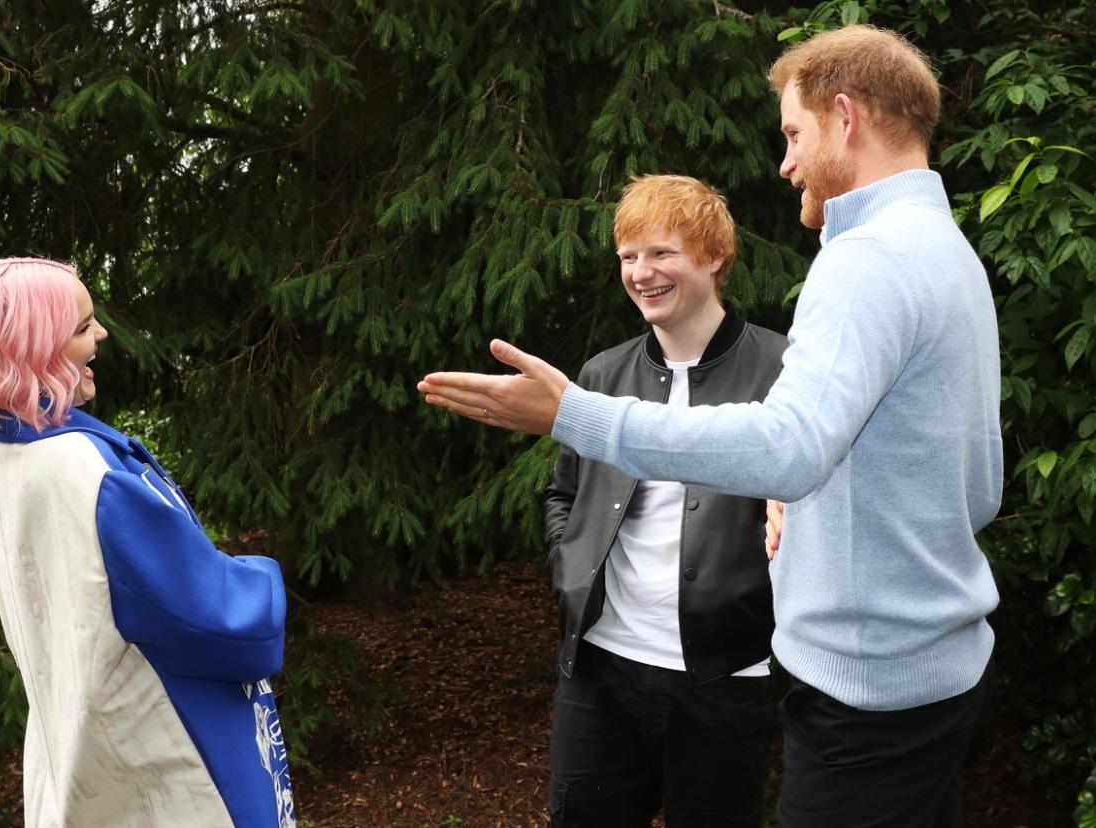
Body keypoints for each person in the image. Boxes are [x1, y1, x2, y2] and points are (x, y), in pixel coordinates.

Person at [418, 24, 1001, 828]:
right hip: (932, 680)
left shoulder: (866, 259)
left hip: (867, 695)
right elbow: (973, 482)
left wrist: (574, 416)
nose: (786, 161)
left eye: (794, 134)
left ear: (845, 117)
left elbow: (789, 449)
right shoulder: (947, 253)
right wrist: (811, 500)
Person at [0, 258, 296, 828]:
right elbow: (222, 622)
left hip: (76, 761)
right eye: (82, 328)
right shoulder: (89, 474)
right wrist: (260, 573)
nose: (101, 334)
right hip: (165, 774)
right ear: (33, 351)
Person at [544, 174, 784, 827]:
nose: (641, 272)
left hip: (726, 679)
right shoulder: (602, 374)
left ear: (712, 256)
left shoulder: (785, 369)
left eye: (661, 253)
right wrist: (570, 568)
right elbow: (564, 492)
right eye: (628, 256)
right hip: (601, 668)